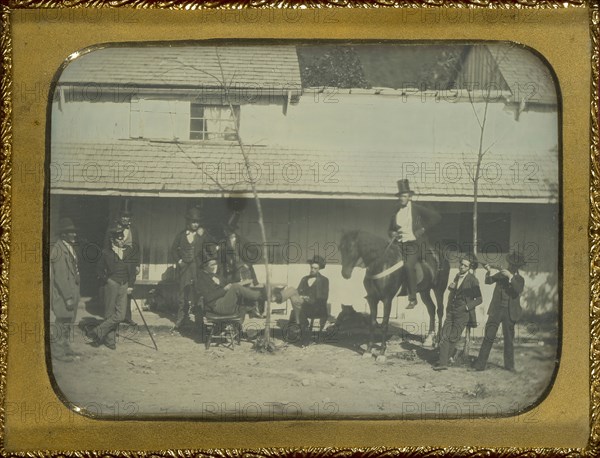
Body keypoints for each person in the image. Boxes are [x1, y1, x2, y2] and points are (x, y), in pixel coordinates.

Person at [389, 179, 441, 309]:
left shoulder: (417, 209)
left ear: (409, 197)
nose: (402, 198)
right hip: (399, 244)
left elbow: (436, 217)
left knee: (408, 265)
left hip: (415, 244)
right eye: (400, 196)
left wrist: (423, 229)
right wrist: (393, 234)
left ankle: (412, 298)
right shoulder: (396, 211)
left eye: (405, 196)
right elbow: (390, 229)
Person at [472, 252, 526, 372]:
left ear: (517, 267)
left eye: (514, 265)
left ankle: (509, 366)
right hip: (496, 311)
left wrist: (510, 277)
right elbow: (488, 281)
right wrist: (488, 270)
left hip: (509, 313)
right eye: (510, 264)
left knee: (508, 340)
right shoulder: (501, 275)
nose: (511, 266)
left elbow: (518, 289)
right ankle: (479, 365)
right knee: (488, 337)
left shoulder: (519, 279)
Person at [88, 224, 138, 350]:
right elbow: (98, 270)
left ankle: (98, 331)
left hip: (125, 284)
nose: (121, 241)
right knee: (109, 313)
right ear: (112, 240)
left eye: (122, 238)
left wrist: (131, 285)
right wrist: (107, 280)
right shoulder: (106, 253)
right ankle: (110, 342)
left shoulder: (129, 251)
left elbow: (132, 271)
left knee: (120, 315)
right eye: (119, 239)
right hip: (112, 284)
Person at [170, 207, 217, 332]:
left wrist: (210, 262)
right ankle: (181, 320)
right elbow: (173, 250)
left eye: (197, 222)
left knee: (199, 294)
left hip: (198, 269)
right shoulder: (181, 235)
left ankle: (199, 321)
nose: (195, 224)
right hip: (185, 270)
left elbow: (211, 247)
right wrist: (179, 261)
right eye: (193, 221)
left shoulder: (203, 235)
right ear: (188, 222)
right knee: (183, 295)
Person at [434, 253, 482, 371]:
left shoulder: (472, 280)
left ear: (469, 268)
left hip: (463, 313)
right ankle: (443, 362)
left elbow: (479, 299)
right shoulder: (457, 276)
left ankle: (444, 360)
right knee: (444, 334)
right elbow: (455, 290)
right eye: (461, 264)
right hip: (451, 310)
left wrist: (466, 307)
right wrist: (451, 287)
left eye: (465, 266)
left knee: (453, 337)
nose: (461, 267)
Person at [103, 199, 140, 326]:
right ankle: (114, 318)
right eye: (123, 216)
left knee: (128, 289)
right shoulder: (112, 228)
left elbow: (137, 248)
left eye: (127, 216)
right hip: (116, 263)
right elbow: (106, 247)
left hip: (130, 263)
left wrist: (137, 265)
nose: (125, 219)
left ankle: (127, 317)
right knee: (116, 291)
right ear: (120, 217)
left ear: (130, 218)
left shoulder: (134, 230)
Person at [50, 217, 81, 362]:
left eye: (74, 232)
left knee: (68, 321)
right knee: (61, 321)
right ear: (63, 234)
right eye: (70, 232)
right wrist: (68, 297)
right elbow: (60, 278)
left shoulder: (68, 247)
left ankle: (66, 347)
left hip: (72, 291)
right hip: (64, 294)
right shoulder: (58, 250)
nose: (74, 234)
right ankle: (58, 352)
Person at [279, 255, 330, 345]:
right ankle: (278, 298)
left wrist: (309, 299)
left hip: (316, 307)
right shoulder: (304, 278)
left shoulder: (324, 280)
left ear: (319, 269)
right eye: (311, 267)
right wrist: (303, 297)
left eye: (315, 268)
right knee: (292, 290)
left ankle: (277, 298)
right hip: (303, 304)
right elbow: (298, 292)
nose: (312, 270)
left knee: (296, 305)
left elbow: (324, 297)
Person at [195, 256, 265, 317]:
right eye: (212, 265)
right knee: (235, 287)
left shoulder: (216, 275)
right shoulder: (201, 279)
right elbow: (208, 297)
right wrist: (224, 290)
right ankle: (260, 296)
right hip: (217, 305)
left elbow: (229, 283)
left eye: (216, 263)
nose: (215, 266)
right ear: (205, 267)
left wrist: (243, 282)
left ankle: (257, 302)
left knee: (241, 288)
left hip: (224, 301)